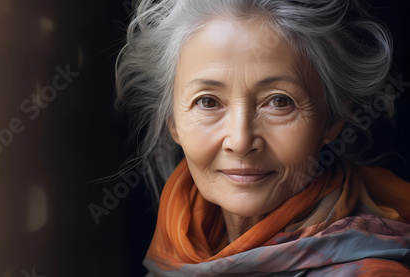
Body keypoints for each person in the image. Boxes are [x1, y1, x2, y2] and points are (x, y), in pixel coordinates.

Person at [114, 0, 410, 275]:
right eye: (207, 102)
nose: (241, 141)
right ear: (173, 122)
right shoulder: (174, 252)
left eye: (280, 102)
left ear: (332, 120)